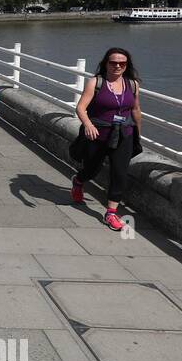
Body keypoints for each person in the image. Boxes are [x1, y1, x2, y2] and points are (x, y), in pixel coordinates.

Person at [72, 47, 142, 231]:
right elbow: (81, 108)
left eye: (122, 63)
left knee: (120, 173)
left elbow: (135, 110)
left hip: (124, 133)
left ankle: (111, 212)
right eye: (113, 63)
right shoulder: (96, 82)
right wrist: (88, 125)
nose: (117, 66)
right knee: (92, 169)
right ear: (106, 64)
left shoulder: (132, 84)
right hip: (99, 133)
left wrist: (137, 134)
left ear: (127, 65)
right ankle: (79, 181)